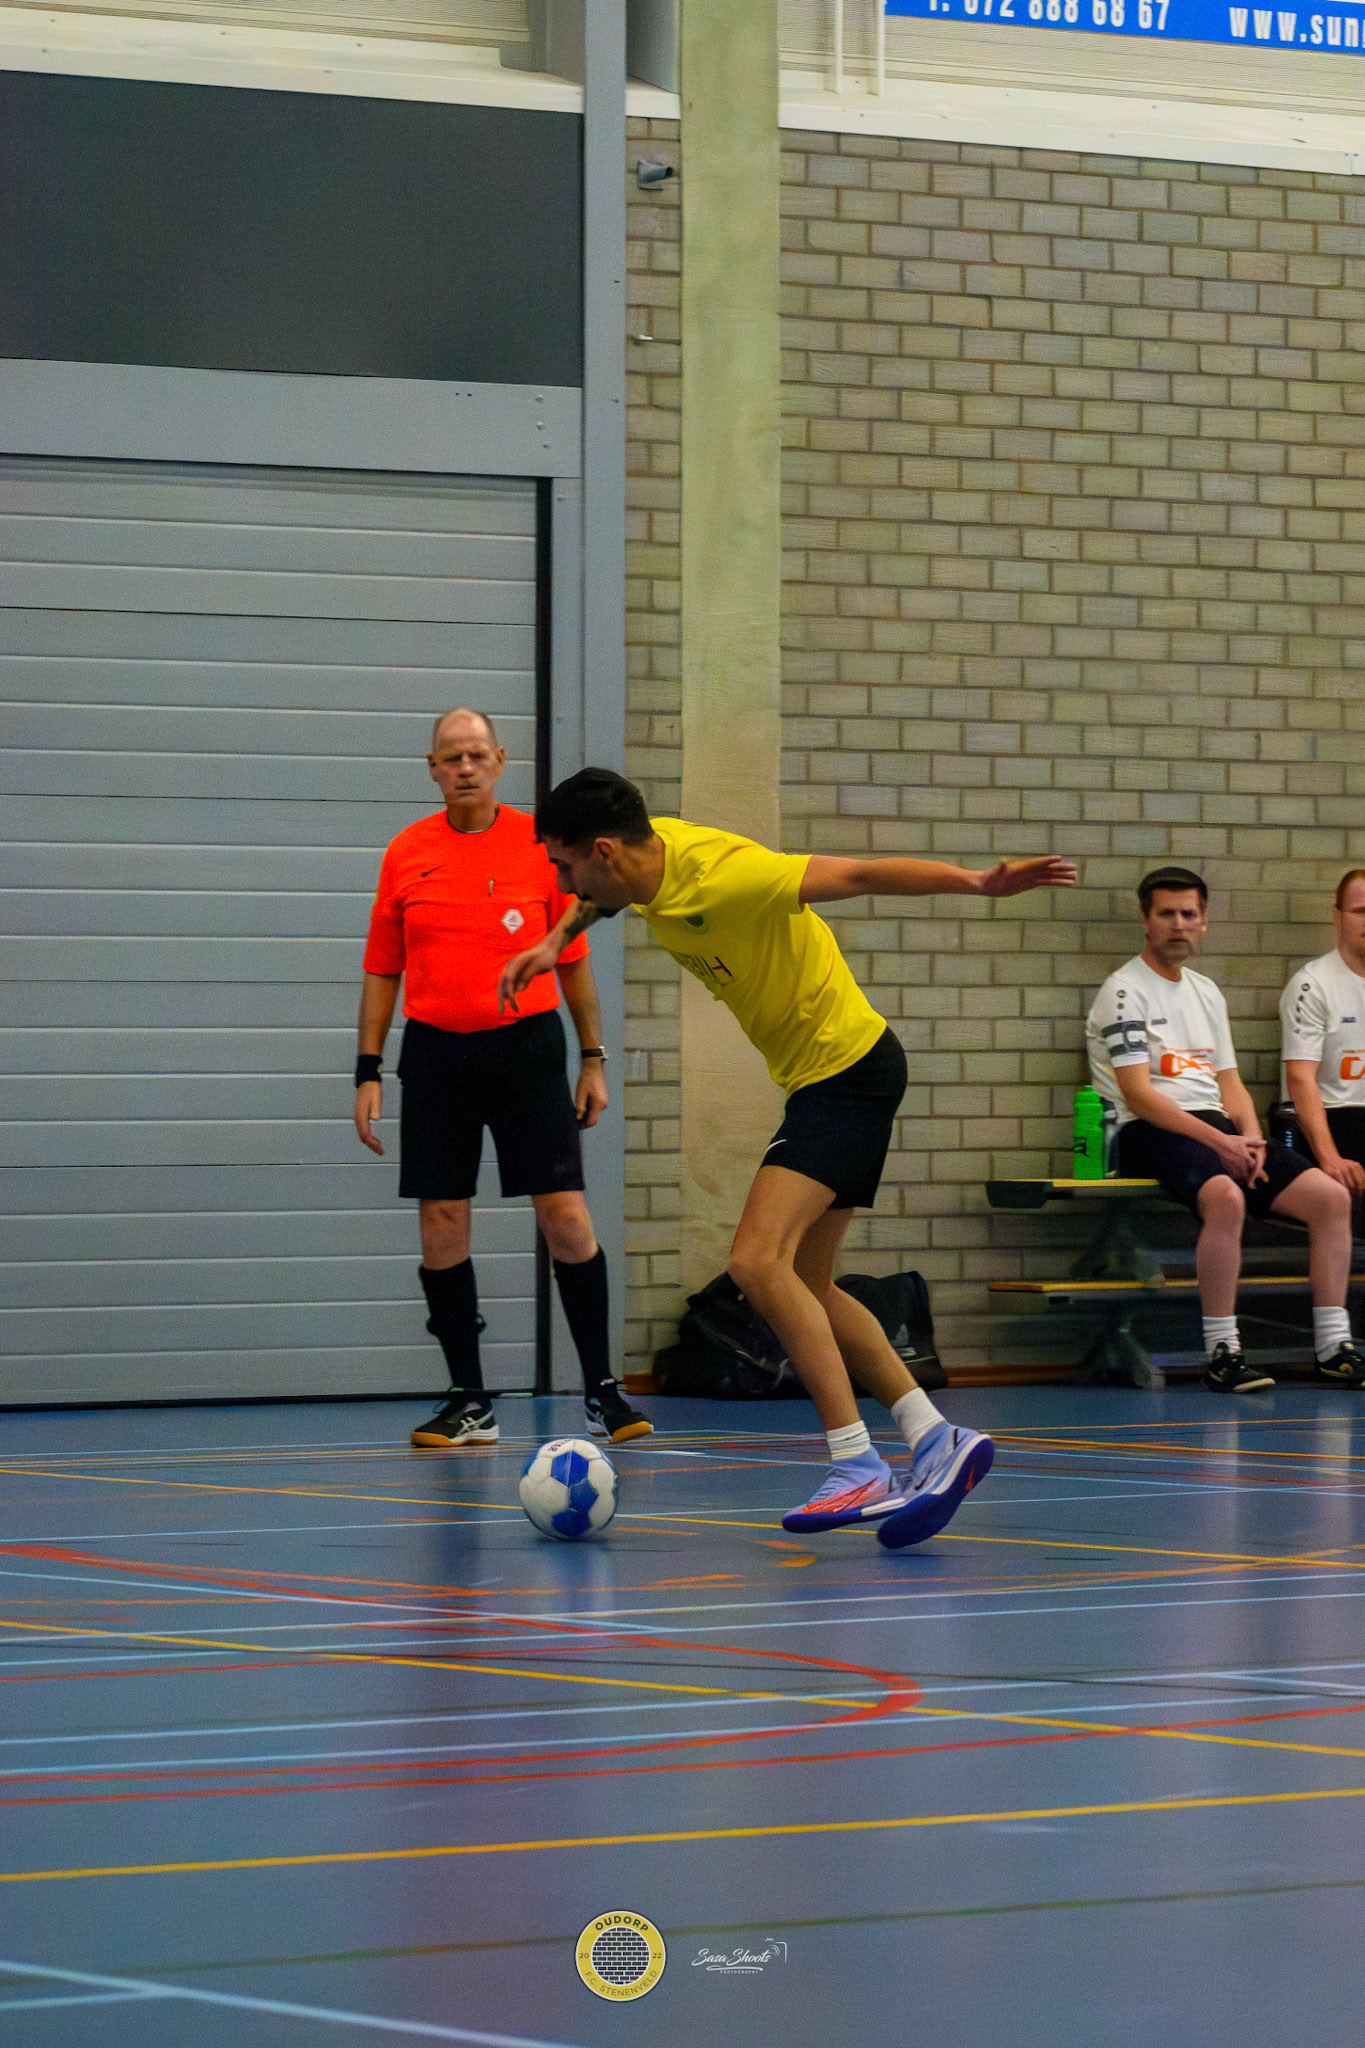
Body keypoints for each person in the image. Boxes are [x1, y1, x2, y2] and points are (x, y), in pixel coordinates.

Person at [497, 767, 1076, 1547]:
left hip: (845, 1076)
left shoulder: (731, 875)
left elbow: (859, 875)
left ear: (603, 850)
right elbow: (598, 899)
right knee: (806, 1280)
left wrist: (976, 882)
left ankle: (856, 1463)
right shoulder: (637, 865)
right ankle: (935, 1437)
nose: (562, 882)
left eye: (564, 864)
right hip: (835, 1075)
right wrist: (551, 942)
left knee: (754, 1262)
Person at [354, 712, 652, 1449]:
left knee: (566, 1216)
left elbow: (572, 959)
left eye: (476, 755)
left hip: (526, 1051)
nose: (464, 767)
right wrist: (367, 1070)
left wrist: (592, 1058)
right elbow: (382, 969)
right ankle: (469, 1400)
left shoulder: (537, 845)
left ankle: (601, 1390)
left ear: (499, 760)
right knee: (441, 1220)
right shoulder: (406, 852)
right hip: (437, 1055)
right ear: (432, 766)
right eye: (451, 757)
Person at [1086, 865, 1364, 1392]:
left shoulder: (1207, 992)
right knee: (1227, 1198)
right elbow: (1138, 1095)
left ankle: (1333, 1347)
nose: (1179, 924)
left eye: (1189, 914)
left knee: (1330, 1198)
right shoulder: (1123, 991)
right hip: (1146, 1130)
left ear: (1205, 921)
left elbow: (1229, 1083)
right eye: (1166, 914)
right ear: (1145, 921)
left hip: (1218, 1130)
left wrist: (1251, 1140)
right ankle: (1222, 1351)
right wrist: (1222, 1143)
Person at [1280, 868, 1365, 1196]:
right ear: (1337, 917)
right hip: (1336, 1116)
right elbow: (1300, 1078)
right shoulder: (1312, 985)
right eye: (1360, 911)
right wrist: (1330, 1157)